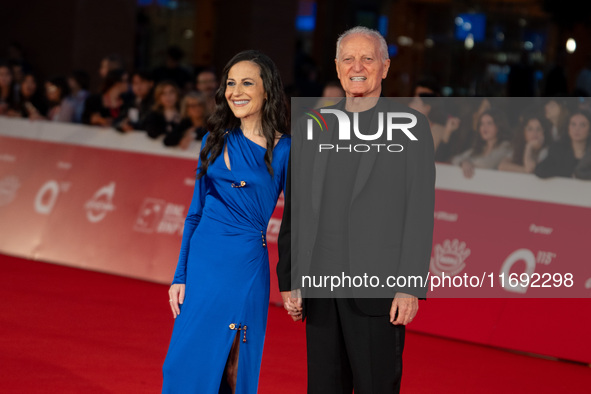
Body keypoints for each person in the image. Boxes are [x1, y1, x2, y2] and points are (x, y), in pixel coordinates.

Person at [277, 26, 434, 393]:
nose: (357, 66)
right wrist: (290, 279)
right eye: (348, 58)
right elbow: (296, 211)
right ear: (337, 66)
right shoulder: (311, 126)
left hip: (377, 292)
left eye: (367, 58)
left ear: (385, 66)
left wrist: (410, 286)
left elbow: (420, 212)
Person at [162, 50, 290, 393]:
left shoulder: (286, 150)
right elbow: (195, 212)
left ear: (268, 90)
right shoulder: (213, 140)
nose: (236, 91)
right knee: (178, 366)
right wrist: (180, 275)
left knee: (232, 371)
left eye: (247, 82)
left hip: (245, 266)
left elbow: (300, 220)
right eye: (231, 83)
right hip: (204, 263)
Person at [451, 109, 512, 178]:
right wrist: (463, 162)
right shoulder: (480, 147)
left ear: (499, 126)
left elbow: (487, 164)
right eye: (482, 124)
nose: (484, 127)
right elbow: (455, 159)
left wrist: (469, 163)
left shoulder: (505, 146)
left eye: (489, 123)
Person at [535, 110, 591, 178]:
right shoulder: (557, 149)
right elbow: (540, 170)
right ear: (568, 128)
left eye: (582, 125)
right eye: (573, 124)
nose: (577, 129)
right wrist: (569, 174)